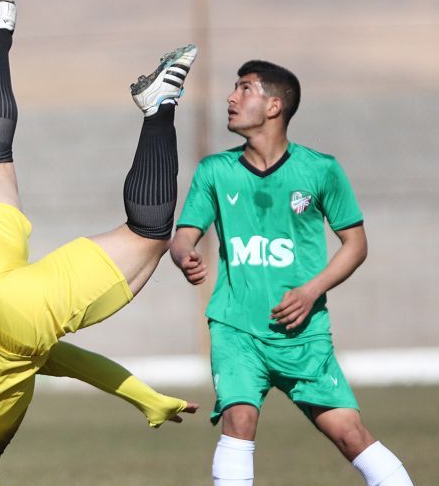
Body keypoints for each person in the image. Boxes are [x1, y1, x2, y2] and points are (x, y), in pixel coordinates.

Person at [0, 0, 199, 485]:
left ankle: (160, 108)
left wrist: (149, 399)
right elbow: (81, 366)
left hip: (21, 320)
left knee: (149, 236)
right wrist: (146, 398)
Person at [171, 60, 413, 486]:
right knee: (239, 419)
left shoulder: (320, 170)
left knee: (349, 434)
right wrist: (183, 252)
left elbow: (356, 244)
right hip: (236, 326)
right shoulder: (215, 171)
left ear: (274, 106)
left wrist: (310, 291)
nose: (231, 97)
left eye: (245, 88)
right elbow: (183, 236)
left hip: (302, 333)